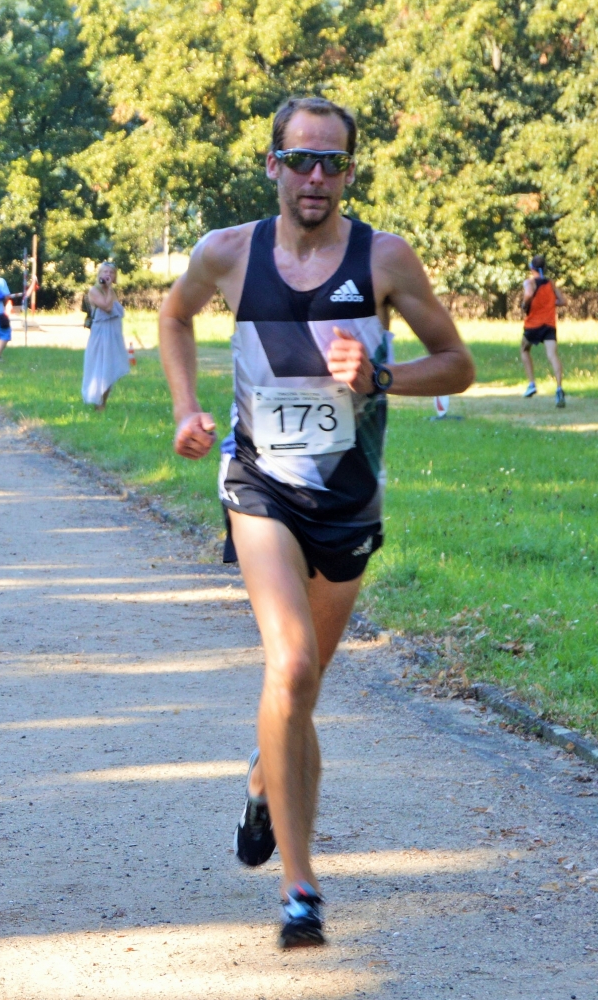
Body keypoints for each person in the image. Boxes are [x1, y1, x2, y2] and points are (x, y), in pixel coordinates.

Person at [158, 95, 474, 949]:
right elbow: (175, 314)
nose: (316, 178)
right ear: (272, 164)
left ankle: (267, 780)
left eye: (332, 163)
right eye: (301, 160)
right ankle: (301, 889)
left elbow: (459, 364)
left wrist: (379, 375)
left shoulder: (383, 258)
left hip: (347, 500)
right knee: (289, 662)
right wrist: (187, 408)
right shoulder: (227, 255)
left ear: (350, 173)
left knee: (301, 692)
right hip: (259, 485)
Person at [81, 262, 130, 410]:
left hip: (113, 334)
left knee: (111, 366)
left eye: (112, 273)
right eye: (106, 272)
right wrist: (108, 288)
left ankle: (104, 402)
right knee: (100, 366)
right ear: (99, 274)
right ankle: (98, 402)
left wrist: (110, 289)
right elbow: (107, 307)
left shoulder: (111, 291)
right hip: (101, 333)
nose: (108, 275)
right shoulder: (94, 291)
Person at [521, 255, 566, 407]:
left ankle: (532, 384)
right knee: (552, 355)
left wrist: (525, 304)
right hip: (549, 325)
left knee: (524, 349)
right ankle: (559, 388)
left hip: (533, 325)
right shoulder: (550, 283)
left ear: (531, 268)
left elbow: (528, 295)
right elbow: (562, 301)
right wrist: (548, 303)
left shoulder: (530, 282)